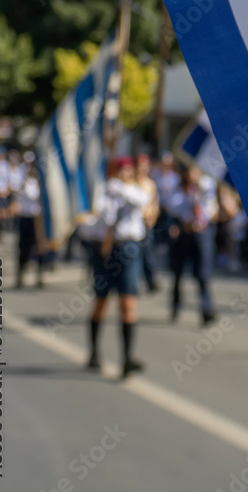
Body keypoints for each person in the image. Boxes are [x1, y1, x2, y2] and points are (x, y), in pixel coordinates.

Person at [87, 157, 148, 378]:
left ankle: (127, 358)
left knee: (128, 302)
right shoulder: (103, 192)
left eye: (127, 170)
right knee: (101, 301)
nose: (124, 173)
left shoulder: (135, 190)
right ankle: (94, 352)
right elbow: (96, 217)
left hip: (129, 249)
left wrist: (120, 189)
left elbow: (142, 200)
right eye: (120, 169)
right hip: (106, 250)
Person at [167, 164, 218, 325]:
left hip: (201, 235)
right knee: (178, 273)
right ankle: (176, 305)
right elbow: (172, 208)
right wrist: (185, 222)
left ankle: (206, 309)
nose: (192, 175)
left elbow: (212, 209)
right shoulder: (178, 189)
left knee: (202, 274)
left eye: (195, 172)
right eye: (189, 172)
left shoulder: (206, 187)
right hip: (183, 234)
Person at [13, 158, 44, 288]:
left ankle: (40, 275)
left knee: (40, 247)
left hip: (38, 218)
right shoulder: (23, 181)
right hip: (25, 217)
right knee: (23, 248)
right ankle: (20, 276)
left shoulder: (42, 183)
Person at [135, 154, 160, 293]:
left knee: (147, 253)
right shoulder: (132, 181)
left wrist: (152, 218)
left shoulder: (150, 183)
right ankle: (135, 281)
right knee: (135, 254)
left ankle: (150, 280)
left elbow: (154, 203)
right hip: (135, 222)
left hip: (146, 222)